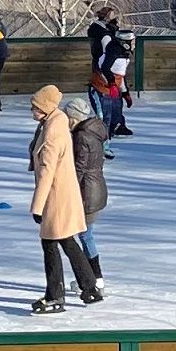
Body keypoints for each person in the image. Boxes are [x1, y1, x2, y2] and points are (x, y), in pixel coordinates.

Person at [25, 83, 103, 312]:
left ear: (46, 108)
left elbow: (47, 170)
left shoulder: (53, 131)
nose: (32, 111)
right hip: (62, 194)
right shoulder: (55, 122)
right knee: (67, 241)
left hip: (56, 197)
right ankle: (89, 287)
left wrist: (37, 206)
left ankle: (55, 296)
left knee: (50, 243)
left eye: (35, 107)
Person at [62, 92, 115, 277]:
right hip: (95, 187)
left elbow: (79, 167)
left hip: (86, 192)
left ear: (73, 117)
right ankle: (92, 276)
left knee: (85, 234)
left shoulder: (82, 136)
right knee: (85, 233)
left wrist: (68, 189)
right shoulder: (93, 132)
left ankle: (95, 277)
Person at [91, 28, 134, 136]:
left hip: (114, 88)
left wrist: (125, 92)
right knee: (106, 116)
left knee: (116, 113)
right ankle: (103, 136)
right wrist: (112, 83)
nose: (133, 44)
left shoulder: (123, 54)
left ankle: (116, 127)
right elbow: (104, 69)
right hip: (103, 88)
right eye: (131, 41)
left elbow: (120, 75)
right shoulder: (113, 52)